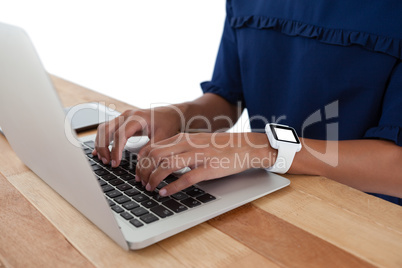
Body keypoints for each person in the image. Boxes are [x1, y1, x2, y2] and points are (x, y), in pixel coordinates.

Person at [93, 0, 402, 205]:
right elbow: (229, 97)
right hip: (266, 196)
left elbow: (395, 168)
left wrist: (263, 148)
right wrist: (180, 115)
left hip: (366, 219)